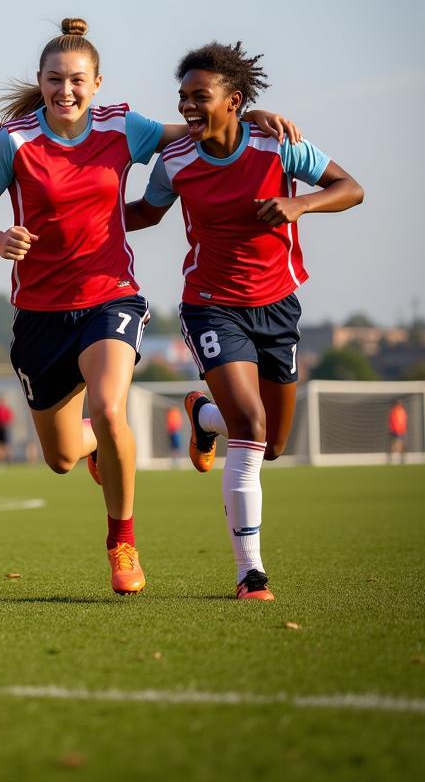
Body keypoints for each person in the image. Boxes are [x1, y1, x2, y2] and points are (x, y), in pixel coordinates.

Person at [0, 19, 299, 596]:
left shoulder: (123, 128)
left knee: (111, 407)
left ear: (96, 84)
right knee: (64, 456)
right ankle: (104, 445)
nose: (64, 91)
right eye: (53, 80)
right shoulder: (13, 141)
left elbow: (199, 128)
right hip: (39, 313)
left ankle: (122, 541)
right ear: (41, 83)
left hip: (110, 297)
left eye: (76, 81)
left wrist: (252, 118)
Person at [126, 41, 363, 601]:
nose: (186, 106)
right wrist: (78, 219)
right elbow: (147, 212)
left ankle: (205, 416)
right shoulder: (177, 159)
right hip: (209, 303)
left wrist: (299, 205)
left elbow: (350, 188)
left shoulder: (276, 143)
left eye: (198, 96)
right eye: (181, 96)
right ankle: (249, 571)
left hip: (278, 305)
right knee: (252, 427)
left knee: (272, 445)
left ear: (233, 101)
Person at [0, 395, 15, 466]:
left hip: (5, 429)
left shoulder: (6, 409)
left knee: (6, 446)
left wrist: (7, 425)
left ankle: (9, 460)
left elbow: (10, 419)